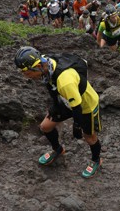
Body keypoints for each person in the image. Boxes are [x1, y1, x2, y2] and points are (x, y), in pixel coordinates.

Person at [14, 47, 103, 178]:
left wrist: (77, 125)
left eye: (27, 73)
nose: (25, 76)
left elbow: (77, 106)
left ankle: (96, 160)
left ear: (37, 66)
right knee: (45, 126)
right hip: (66, 100)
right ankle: (58, 150)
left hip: (85, 105)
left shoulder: (64, 81)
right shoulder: (47, 63)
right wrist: (56, 106)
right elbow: (51, 86)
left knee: (89, 136)